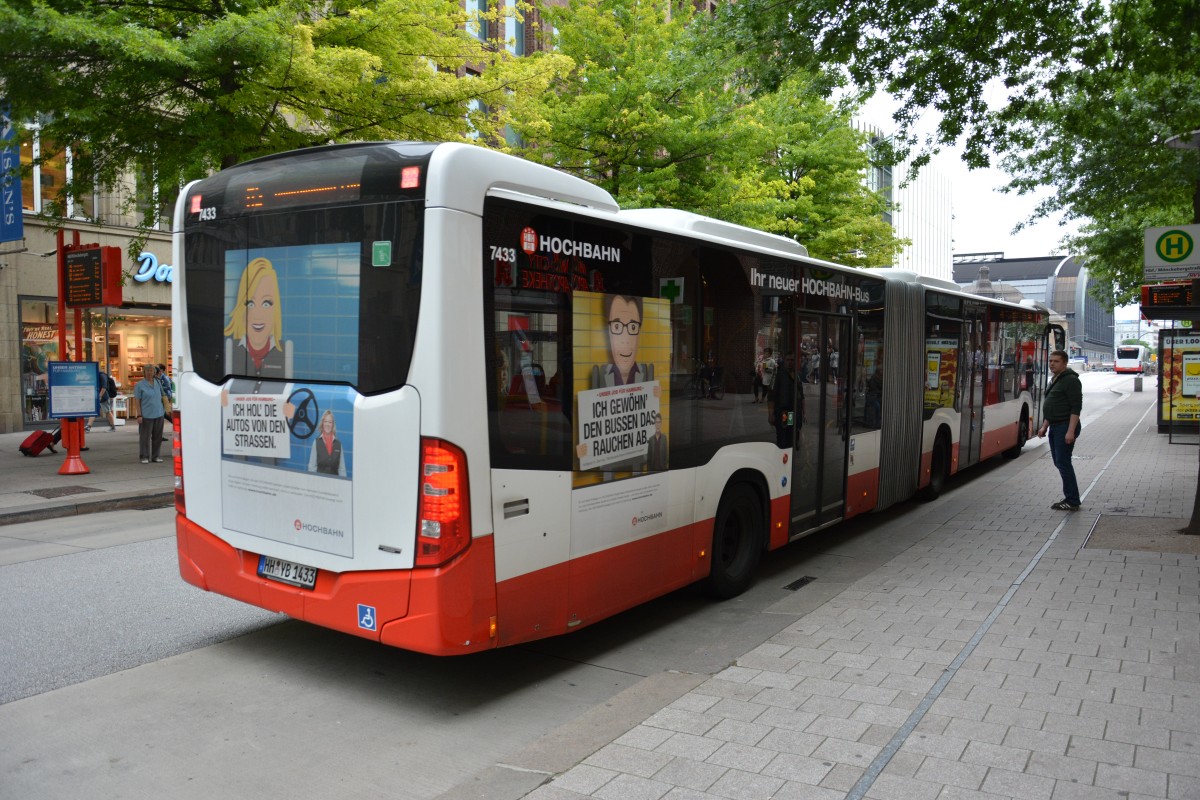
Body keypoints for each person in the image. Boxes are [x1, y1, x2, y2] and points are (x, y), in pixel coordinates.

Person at [224, 256, 286, 380]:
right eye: (250, 304)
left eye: (266, 303)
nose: (258, 314)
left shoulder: (285, 352)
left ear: (276, 309)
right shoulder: (229, 349)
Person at [1037, 349, 1082, 510]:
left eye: (1056, 361)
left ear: (1064, 363)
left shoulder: (1070, 380)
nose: (1052, 364)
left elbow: (1075, 408)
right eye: (1050, 361)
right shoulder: (1055, 379)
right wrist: (1044, 426)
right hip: (1055, 426)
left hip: (1065, 426)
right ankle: (1071, 497)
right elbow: (1055, 405)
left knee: (1063, 462)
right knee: (1059, 462)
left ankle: (1072, 500)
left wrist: (1070, 431)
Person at [591, 294, 653, 387]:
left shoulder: (647, 373)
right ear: (608, 331)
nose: (625, 339)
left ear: (639, 332)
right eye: (617, 326)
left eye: (633, 327)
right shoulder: (599, 375)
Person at [767, 353, 802, 449]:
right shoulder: (778, 375)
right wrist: (771, 414)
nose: (790, 362)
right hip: (783, 412)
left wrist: (802, 410)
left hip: (791, 412)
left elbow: (800, 394)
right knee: (783, 438)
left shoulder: (796, 375)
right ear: (784, 361)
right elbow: (771, 396)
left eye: (792, 360)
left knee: (790, 435)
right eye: (788, 360)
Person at [133, 364, 166, 464]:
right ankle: (144, 456)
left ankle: (156, 456)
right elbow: (137, 401)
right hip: (146, 414)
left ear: (154, 372)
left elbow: (163, 396)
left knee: (158, 437)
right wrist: (139, 415)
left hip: (159, 413)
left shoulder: (158, 382)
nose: (150, 372)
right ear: (144, 372)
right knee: (145, 437)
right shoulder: (139, 385)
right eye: (147, 371)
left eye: (151, 370)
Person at [307, 410, 347, 476]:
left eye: (330, 422)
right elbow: (312, 468)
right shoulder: (316, 442)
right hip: (319, 483)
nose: (327, 424)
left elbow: (342, 470)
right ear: (322, 423)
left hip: (335, 484)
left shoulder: (339, 444)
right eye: (325, 421)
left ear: (333, 425)